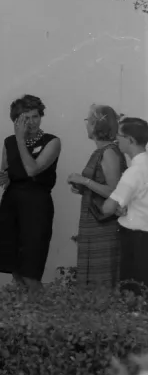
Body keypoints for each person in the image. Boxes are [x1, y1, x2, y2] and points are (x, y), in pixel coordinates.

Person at [0, 95, 62, 291]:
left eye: (35, 117)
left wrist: (21, 140)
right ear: (16, 120)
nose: (31, 122)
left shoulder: (52, 141)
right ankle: (22, 318)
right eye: (26, 118)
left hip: (37, 206)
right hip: (12, 204)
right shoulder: (8, 142)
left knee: (30, 271)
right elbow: (7, 174)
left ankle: (42, 317)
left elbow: (32, 169)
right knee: (15, 271)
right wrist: (3, 178)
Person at [66, 103, 127, 288]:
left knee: (101, 278)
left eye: (88, 121)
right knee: (91, 277)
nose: (86, 125)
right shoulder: (102, 151)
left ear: (95, 126)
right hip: (92, 222)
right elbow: (100, 186)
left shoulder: (108, 152)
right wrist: (83, 188)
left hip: (104, 225)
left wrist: (84, 181)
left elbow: (114, 192)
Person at [101, 116, 148, 291]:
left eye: (119, 135)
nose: (116, 139)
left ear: (130, 140)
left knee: (133, 292)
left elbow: (108, 207)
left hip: (137, 239)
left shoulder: (134, 172)